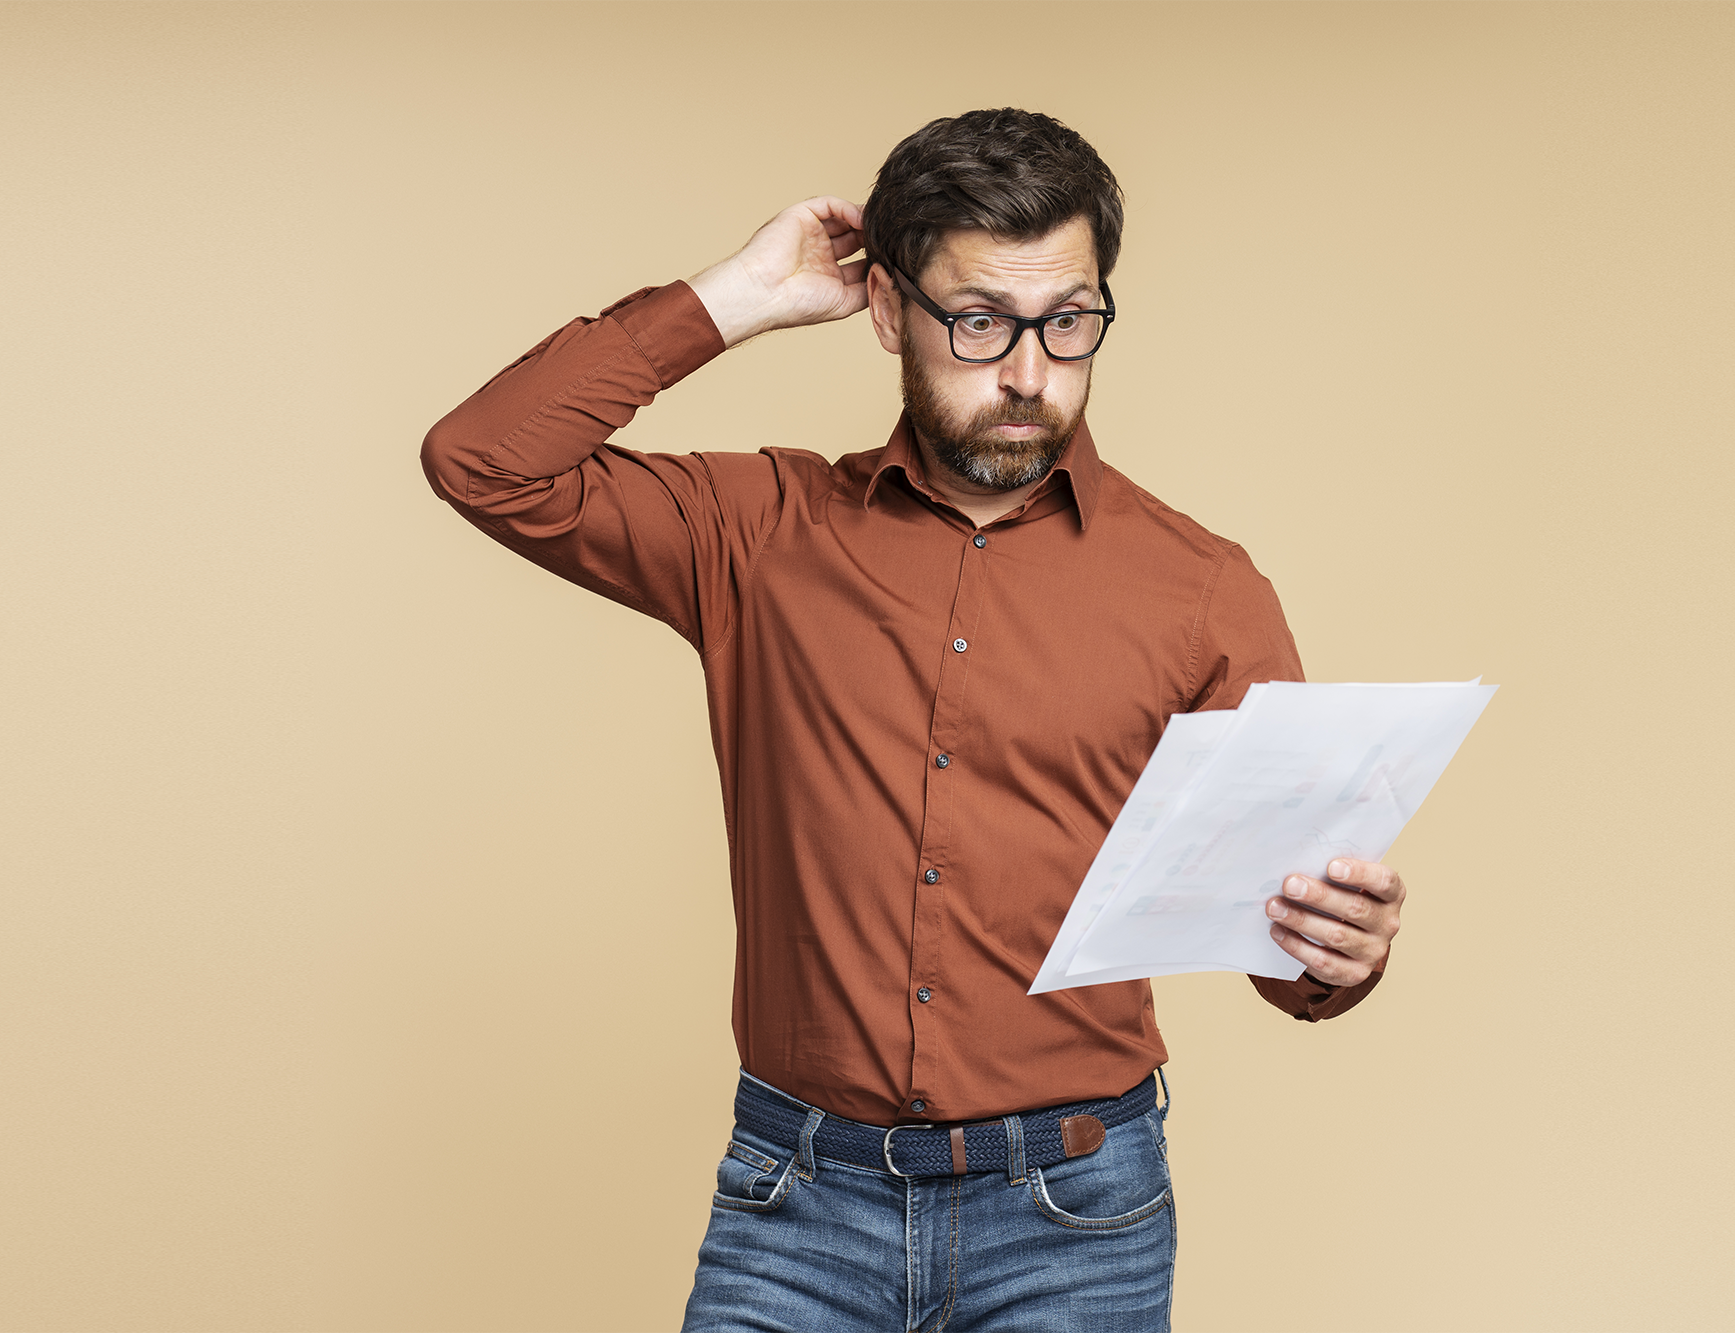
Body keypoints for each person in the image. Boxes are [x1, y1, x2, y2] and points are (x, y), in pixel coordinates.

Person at [421, 107, 1406, 1332]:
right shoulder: (759, 536)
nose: (1029, 373)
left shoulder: (1202, 589)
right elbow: (484, 461)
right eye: (979, 321)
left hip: (1075, 1218)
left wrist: (1334, 955)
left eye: (1069, 322)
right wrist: (732, 296)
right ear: (889, 311)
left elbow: (1282, 935)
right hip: (794, 1205)